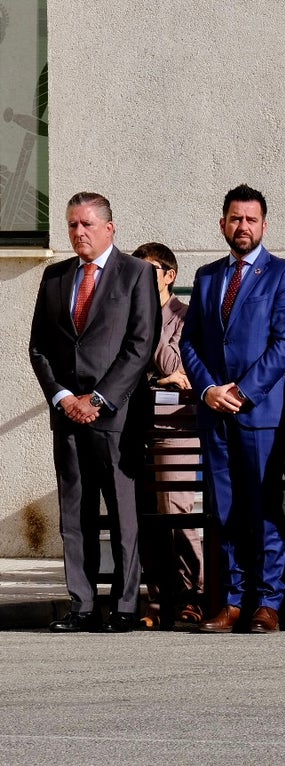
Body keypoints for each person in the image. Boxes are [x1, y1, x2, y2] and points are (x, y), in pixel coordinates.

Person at [29, 192, 160, 633]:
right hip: (67, 415)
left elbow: (141, 344)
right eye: (71, 225)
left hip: (117, 416)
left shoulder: (136, 274)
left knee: (123, 514)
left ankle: (124, 607)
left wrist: (99, 398)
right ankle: (82, 605)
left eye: (86, 224)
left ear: (109, 227)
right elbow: (39, 347)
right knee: (74, 513)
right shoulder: (55, 277)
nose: (78, 233)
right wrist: (63, 396)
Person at [180, 183, 285, 634]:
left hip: (259, 413)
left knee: (265, 508)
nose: (243, 227)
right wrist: (209, 388)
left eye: (251, 219)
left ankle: (268, 603)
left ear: (264, 225)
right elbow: (189, 339)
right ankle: (232, 602)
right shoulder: (209, 276)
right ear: (222, 224)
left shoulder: (283, 275)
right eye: (235, 218)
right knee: (225, 508)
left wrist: (244, 391)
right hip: (215, 412)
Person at [131, 242, 204, 630]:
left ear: (169, 275)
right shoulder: (129, 316)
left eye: (149, 272)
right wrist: (158, 380)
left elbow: (181, 370)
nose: (140, 280)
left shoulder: (184, 318)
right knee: (145, 517)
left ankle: (194, 596)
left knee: (176, 514)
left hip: (177, 427)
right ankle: (159, 600)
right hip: (139, 426)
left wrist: (151, 322)